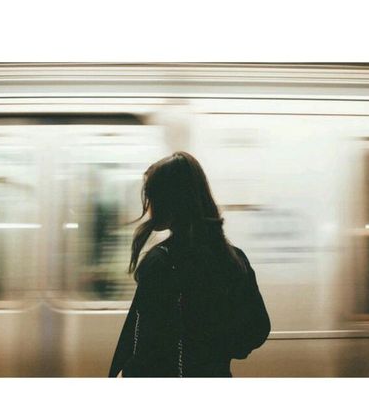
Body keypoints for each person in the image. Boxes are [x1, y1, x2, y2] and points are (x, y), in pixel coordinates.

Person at [108, 151, 270, 378]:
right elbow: (257, 329)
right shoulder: (234, 260)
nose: (150, 206)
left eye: (152, 196)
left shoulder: (161, 263)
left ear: (170, 201)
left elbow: (146, 347)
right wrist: (215, 350)